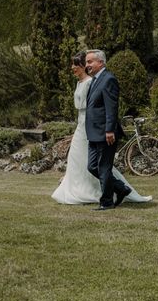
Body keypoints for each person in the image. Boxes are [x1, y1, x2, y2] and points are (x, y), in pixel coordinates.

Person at [51, 51, 151, 206]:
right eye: (87, 62)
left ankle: (107, 201)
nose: (87, 64)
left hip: (101, 130)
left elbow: (111, 108)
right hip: (88, 127)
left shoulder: (107, 79)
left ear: (101, 62)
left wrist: (109, 130)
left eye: (90, 62)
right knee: (93, 166)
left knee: (103, 166)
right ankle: (120, 188)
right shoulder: (95, 80)